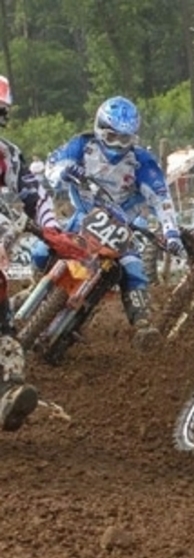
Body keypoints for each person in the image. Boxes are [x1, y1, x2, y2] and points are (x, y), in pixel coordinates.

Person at [43, 95, 182, 346]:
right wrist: (64, 171)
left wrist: (171, 231)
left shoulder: (141, 161)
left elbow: (162, 198)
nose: (117, 145)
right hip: (83, 216)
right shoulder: (82, 145)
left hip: (121, 227)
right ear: (99, 129)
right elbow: (52, 165)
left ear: (133, 138)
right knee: (42, 249)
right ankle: (35, 290)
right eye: (111, 137)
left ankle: (142, 324)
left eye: (124, 139)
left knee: (133, 268)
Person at [0, 75, 63, 430]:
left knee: (3, 322)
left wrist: (50, 228)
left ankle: (9, 393)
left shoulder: (8, 155)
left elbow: (34, 194)